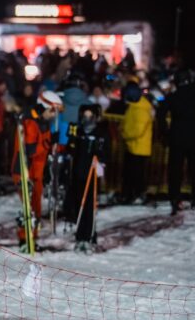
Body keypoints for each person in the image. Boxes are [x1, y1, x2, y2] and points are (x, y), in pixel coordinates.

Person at [11, 90, 63, 248]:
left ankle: (32, 237)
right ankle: (24, 237)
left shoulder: (42, 122)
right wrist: (48, 144)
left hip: (37, 171)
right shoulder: (30, 123)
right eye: (51, 111)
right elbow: (31, 151)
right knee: (29, 207)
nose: (53, 115)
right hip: (26, 171)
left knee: (36, 206)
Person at [64, 105, 109, 253]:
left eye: (90, 116)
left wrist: (101, 161)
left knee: (89, 207)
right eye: (85, 116)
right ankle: (79, 236)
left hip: (91, 174)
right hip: (78, 174)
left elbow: (105, 151)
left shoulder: (100, 133)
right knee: (78, 205)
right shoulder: (79, 131)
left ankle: (89, 236)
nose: (87, 119)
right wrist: (70, 141)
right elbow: (71, 149)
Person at [158, 69, 195, 214]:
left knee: (175, 170)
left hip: (177, 135)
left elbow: (161, 113)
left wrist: (165, 132)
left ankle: (175, 198)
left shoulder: (173, 96)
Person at [120, 82, 153, 204]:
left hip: (139, 148)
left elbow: (137, 130)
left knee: (137, 174)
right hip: (133, 146)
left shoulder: (141, 110)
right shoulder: (134, 107)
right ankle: (130, 194)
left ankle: (137, 194)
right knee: (130, 173)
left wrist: (125, 135)